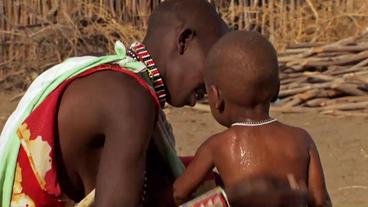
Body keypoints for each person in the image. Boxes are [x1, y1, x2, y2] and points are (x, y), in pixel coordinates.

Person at [173, 31, 332, 207]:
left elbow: (178, 193)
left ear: (215, 95)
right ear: (277, 89)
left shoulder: (218, 145)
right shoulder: (301, 139)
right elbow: (320, 200)